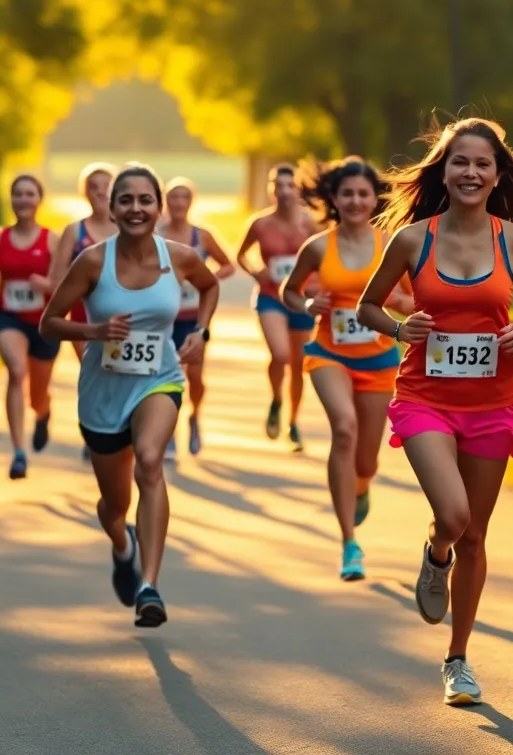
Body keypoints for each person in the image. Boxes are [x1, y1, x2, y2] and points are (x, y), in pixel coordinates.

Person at [356, 117, 513, 708]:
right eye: (460, 163)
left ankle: (458, 660)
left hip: (492, 405)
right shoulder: (412, 240)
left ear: (498, 175)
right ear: (443, 173)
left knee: (477, 534)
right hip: (425, 397)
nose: (471, 172)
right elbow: (369, 307)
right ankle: (434, 552)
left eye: (482, 164)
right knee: (452, 515)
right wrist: (401, 327)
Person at [41, 164, 219, 628]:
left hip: (157, 378)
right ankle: (123, 546)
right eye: (126, 200)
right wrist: (94, 330)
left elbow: (210, 285)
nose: (136, 208)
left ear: (158, 208)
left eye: (145, 200)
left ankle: (149, 586)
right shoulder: (93, 262)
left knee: (149, 461)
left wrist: (200, 331)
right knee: (114, 505)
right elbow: (49, 322)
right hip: (102, 392)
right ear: (112, 208)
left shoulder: (178, 257)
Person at [281, 158, 414, 581]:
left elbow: (415, 304)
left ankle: (360, 485)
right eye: (347, 193)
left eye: (363, 193)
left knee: (367, 460)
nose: (356, 201)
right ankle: (348, 544)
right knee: (343, 427)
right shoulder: (319, 246)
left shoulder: (392, 243)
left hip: (378, 360)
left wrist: (396, 303)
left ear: (374, 198)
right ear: (334, 199)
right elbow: (289, 291)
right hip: (328, 353)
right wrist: (306, 304)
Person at [236, 163, 317, 450]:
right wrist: (257, 272)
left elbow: (326, 256)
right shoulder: (260, 223)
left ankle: (293, 422)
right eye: (277, 186)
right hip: (271, 296)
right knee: (280, 354)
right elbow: (241, 255)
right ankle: (276, 399)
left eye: (289, 185)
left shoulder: (311, 223)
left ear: (298, 189)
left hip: (301, 299)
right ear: (271, 190)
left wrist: (317, 282)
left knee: (298, 365)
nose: (283, 191)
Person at [0, 175, 61, 480]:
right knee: (17, 372)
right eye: (18, 194)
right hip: (9, 318)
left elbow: (65, 284)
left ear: (39, 200)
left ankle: (43, 413)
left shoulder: (52, 240)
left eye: (30, 193)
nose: (23, 199)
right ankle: (18, 452)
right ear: (11, 199)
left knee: (37, 394)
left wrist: (47, 285)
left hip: (44, 323)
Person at [158, 176, 235, 459]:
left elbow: (228, 265)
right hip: (163, 318)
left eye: (184, 198)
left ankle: (194, 416)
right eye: (173, 197)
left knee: (195, 376)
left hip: (195, 316)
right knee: (168, 375)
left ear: (192, 202)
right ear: (165, 201)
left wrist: (206, 278)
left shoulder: (201, 236)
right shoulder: (154, 233)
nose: (179, 203)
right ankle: (168, 434)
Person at [49, 162, 117, 462]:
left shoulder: (127, 227)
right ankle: (94, 434)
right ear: (84, 192)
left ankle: (116, 432)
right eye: (93, 186)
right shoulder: (74, 231)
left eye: (106, 186)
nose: (100, 192)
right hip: (82, 317)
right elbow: (56, 278)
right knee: (94, 373)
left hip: (121, 317)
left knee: (118, 373)